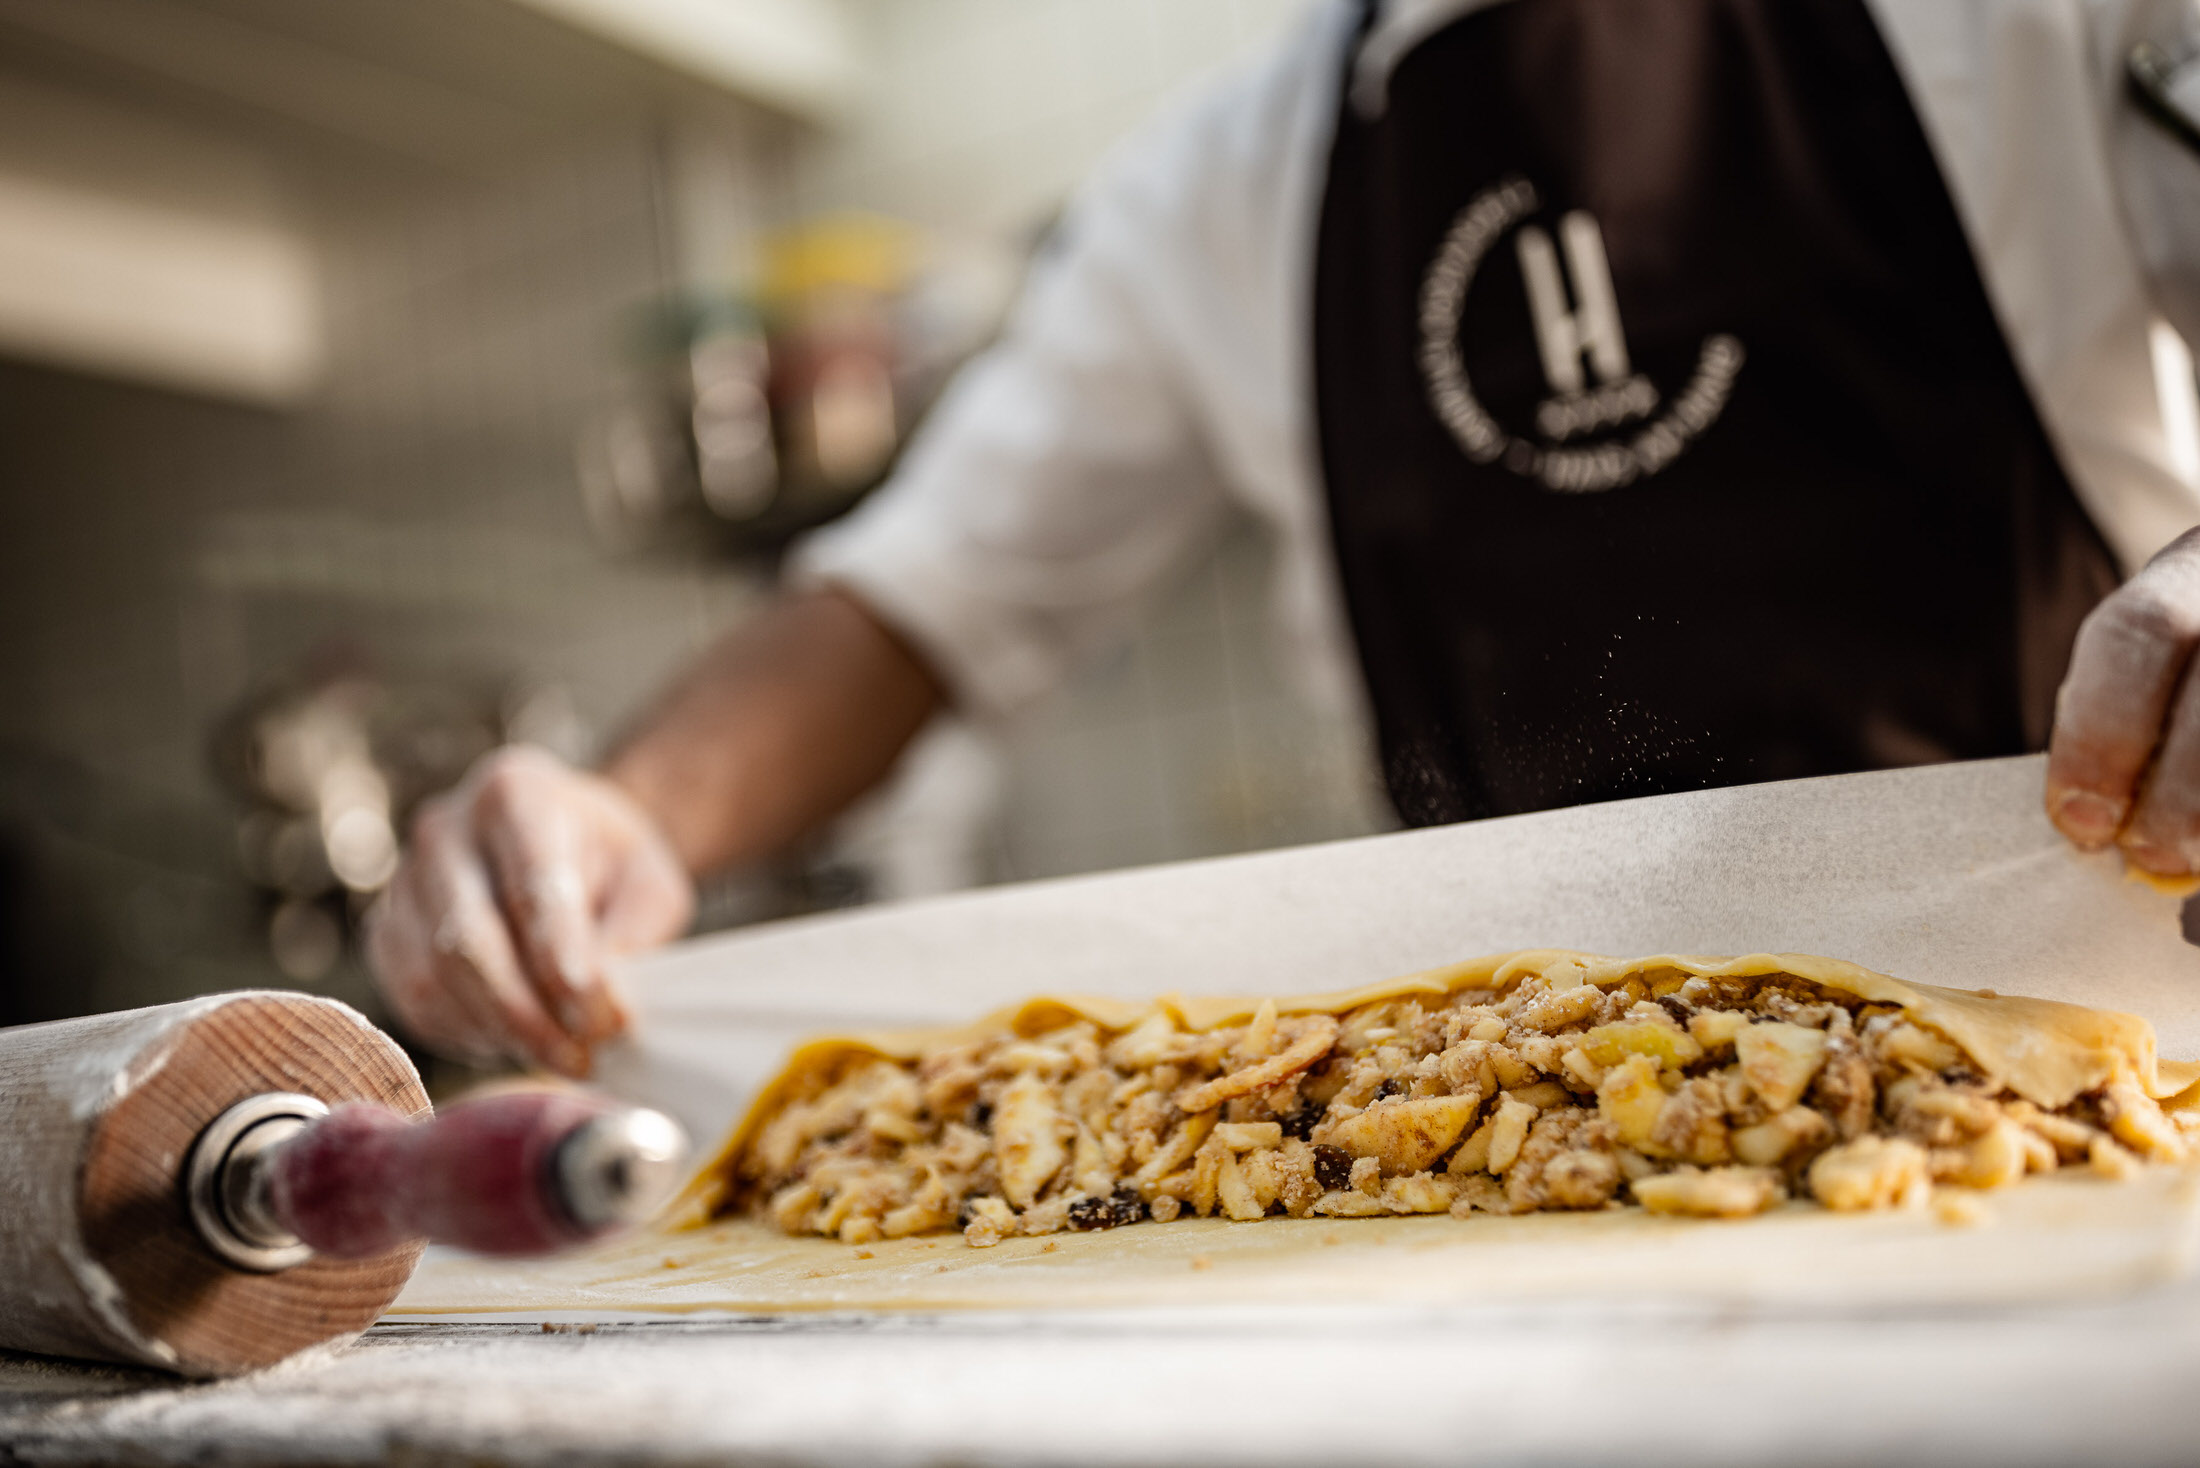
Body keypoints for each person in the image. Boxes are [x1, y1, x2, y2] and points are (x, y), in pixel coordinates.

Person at [367, 0, 2200, 1077]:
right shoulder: (1220, 183)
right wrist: (634, 812)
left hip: (2117, 1040)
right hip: (1537, 1104)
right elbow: (919, 596)